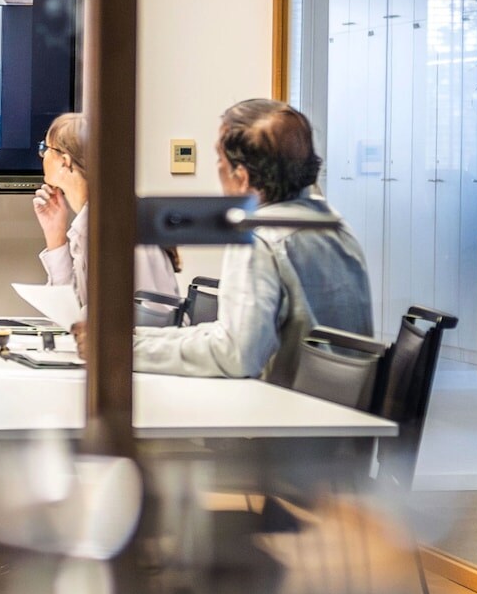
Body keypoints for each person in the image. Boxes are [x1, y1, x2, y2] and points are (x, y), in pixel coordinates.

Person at [130, 99, 374, 384]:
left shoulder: (258, 237)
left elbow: (235, 354)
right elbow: (232, 335)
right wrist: (134, 340)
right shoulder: (334, 225)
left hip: (282, 419)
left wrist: (127, 351)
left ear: (242, 177)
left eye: (220, 160)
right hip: (339, 416)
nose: (218, 169)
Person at [33, 112, 179, 307]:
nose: (41, 155)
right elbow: (69, 310)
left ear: (64, 162)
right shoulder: (90, 222)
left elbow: (152, 318)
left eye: (46, 148)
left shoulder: (118, 229)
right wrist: (55, 236)